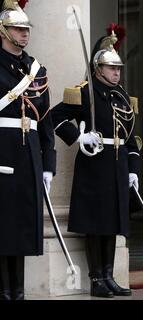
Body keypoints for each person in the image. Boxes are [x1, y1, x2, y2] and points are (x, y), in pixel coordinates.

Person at [51, 24, 141, 298]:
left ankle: (109, 275)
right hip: (95, 164)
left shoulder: (124, 96)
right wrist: (80, 138)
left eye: (119, 68)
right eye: (112, 68)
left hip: (118, 165)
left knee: (113, 224)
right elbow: (55, 118)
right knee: (96, 224)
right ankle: (95, 278)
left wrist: (133, 169)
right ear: (98, 68)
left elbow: (132, 138)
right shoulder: (85, 92)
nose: (117, 72)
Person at [0, 0, 56, 300]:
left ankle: (18, 291)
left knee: (21, 226)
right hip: (2, 153)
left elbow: (45, 122)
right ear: (2, 30)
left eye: (26, 29)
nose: (24, 34)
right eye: (17, 29)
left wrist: (49, 164)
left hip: (29, 156)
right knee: (3, 224)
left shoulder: (36, 69)